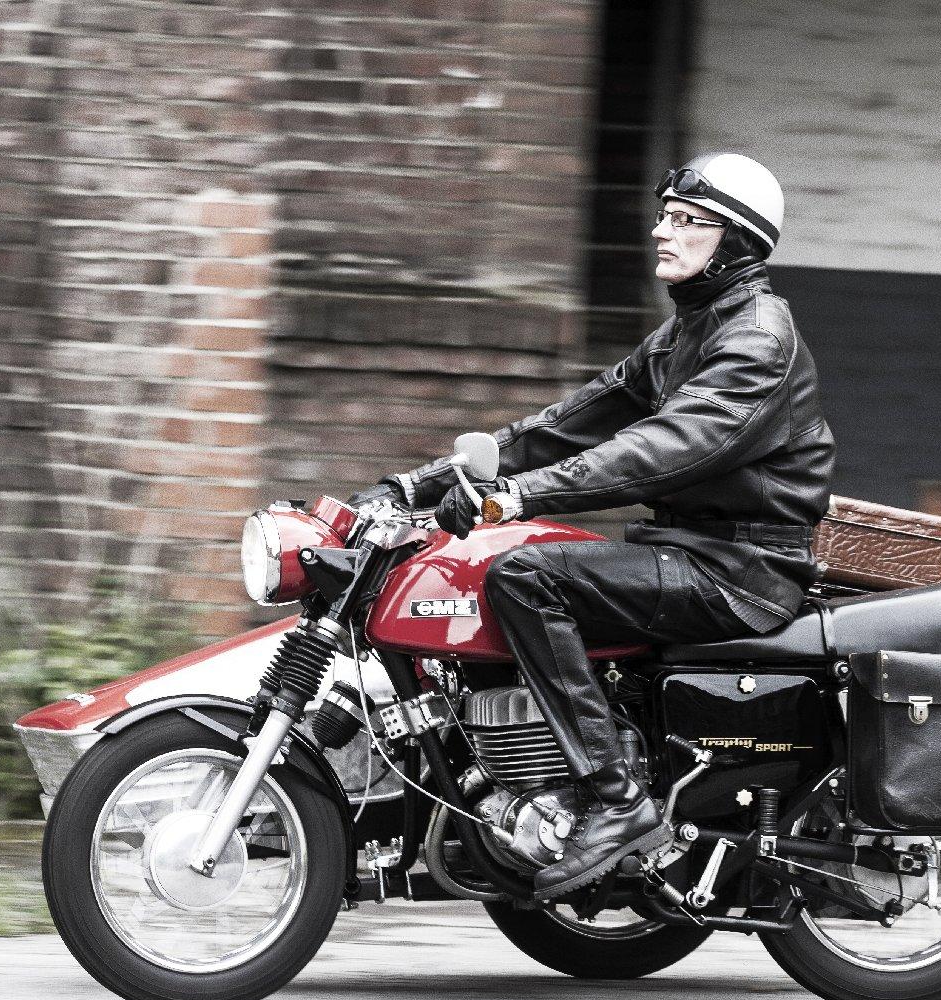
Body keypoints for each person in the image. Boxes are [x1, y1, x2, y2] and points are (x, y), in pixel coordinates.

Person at [350, 153, 836, 899]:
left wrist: (513, 499)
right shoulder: (686, 332)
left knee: (526, 575)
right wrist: (415, 483)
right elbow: (566, 425)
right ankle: (520, 789)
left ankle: (616, 799)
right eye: (664, 215)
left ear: (735, 241)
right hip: (687, 551)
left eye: (687, 220)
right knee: (491, 575)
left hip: (741, 569)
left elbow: (660, 449)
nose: (661, 231)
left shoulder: (757, 340)